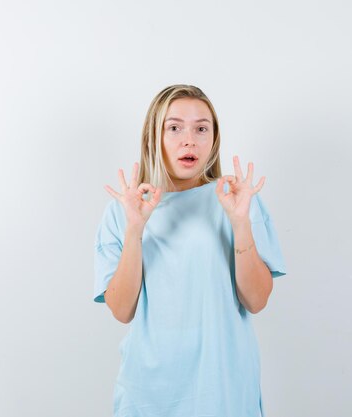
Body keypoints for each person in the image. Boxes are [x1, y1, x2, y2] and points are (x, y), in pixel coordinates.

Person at [93, 84, 287, 417]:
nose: (189, 140)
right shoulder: (122, 211)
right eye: (174, 127)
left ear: (214, 138)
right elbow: (122, 309)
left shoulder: (235, 199)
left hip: (223, 388)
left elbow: (257, 300)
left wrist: (240, 222)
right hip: (149, 392)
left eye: (201, 128)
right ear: (154, 137)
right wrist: (136, 229)